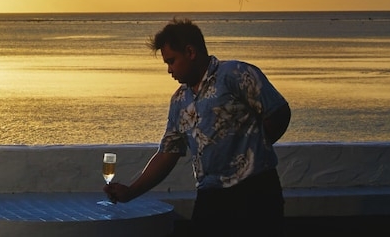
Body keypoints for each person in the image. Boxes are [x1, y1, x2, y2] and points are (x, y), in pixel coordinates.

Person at [104, 18, 291, 236]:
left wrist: (253, 147)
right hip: (210, 198)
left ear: (190, 52)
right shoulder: (180, 101)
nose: (169, 70)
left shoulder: (236, 74)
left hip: (255, 191)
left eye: (172, 61)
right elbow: (167, 154)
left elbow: (278, 113)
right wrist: (131, 191)